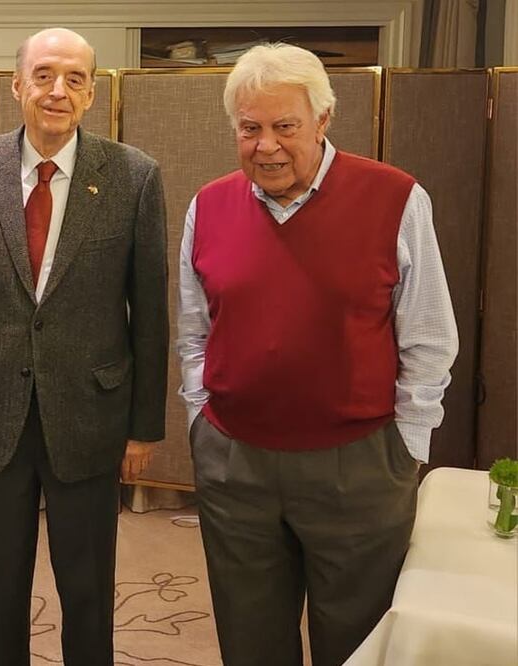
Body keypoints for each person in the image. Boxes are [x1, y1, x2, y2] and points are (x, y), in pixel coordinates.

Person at [177, 43, 459, 666]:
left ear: (323, 120)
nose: (267, 146)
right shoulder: (208, 205)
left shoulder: (396, 198)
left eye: (285, 127)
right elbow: (194, 331)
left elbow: (430, 337)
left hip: (358, 465)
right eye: (250, 129)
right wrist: (201, 420)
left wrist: (407, 445)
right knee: (249, 639)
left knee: (356, 642)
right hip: (235, 463)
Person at [0, 27, 168, 666]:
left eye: (74, 79)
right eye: (43, 75)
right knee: (0, 584)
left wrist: (144, 427)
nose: (57, 90)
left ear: (91, 93)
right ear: (16, 85)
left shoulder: (134, 176)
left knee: (88, 588)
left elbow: (150, 312)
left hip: (90, 415)